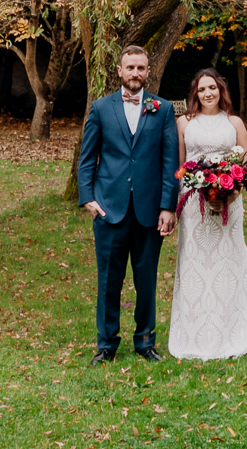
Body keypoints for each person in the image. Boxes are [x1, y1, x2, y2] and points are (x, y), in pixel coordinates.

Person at [77, 45, 179, 363]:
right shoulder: (100, 108)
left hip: (149, 210)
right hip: (110, 209)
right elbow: (87, 158)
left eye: (141, 68)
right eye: (130, 67)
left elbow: (169, 161)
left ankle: (145, 341)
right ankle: (106, 344)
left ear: (149, 72)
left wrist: (167, 206)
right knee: (109, 280)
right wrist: (88, 198)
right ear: (119, 71)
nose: (135, 73)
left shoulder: (162, 109)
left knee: (146, 279)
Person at [167, 68, 247, 360]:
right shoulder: (184, 122)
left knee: (226, 265)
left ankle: (230, 333)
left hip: (229, 205)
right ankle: (194, 335)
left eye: (212, 88)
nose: (207, 93)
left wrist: (230, 193)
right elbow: (180, 166)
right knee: (194, 266)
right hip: (193, 206)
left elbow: (246, 164)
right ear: (194, 93)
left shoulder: (234, 123)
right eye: (201, 89)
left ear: (221, 91)